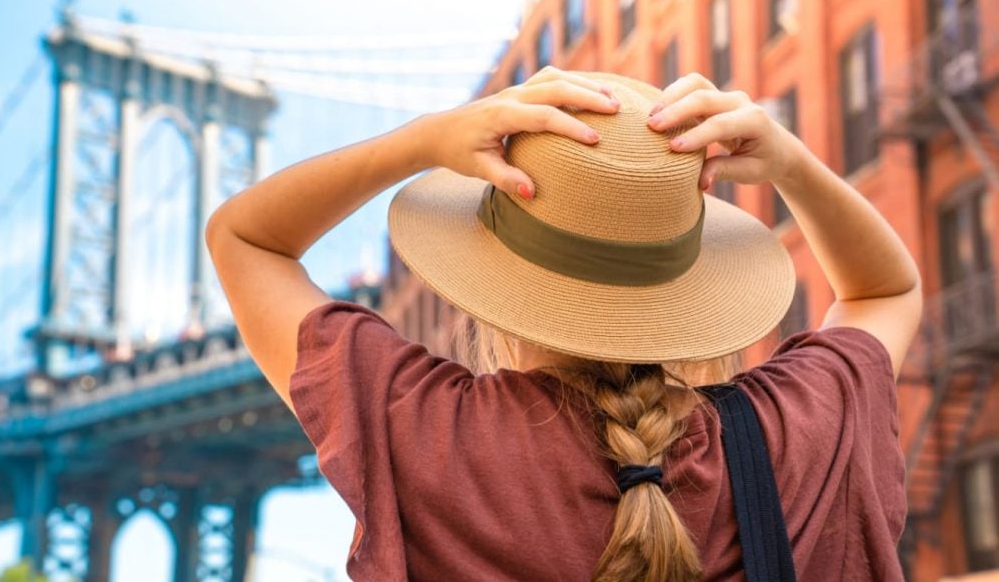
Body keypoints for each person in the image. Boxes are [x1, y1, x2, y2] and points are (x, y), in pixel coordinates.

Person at [206, 68, 921, 581]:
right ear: (689, 283)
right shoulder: (796, 433)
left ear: (496, 290)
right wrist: (789, 161)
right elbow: (885, 290)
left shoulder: (423, 432)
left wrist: (423, 140)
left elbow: (244, 238)